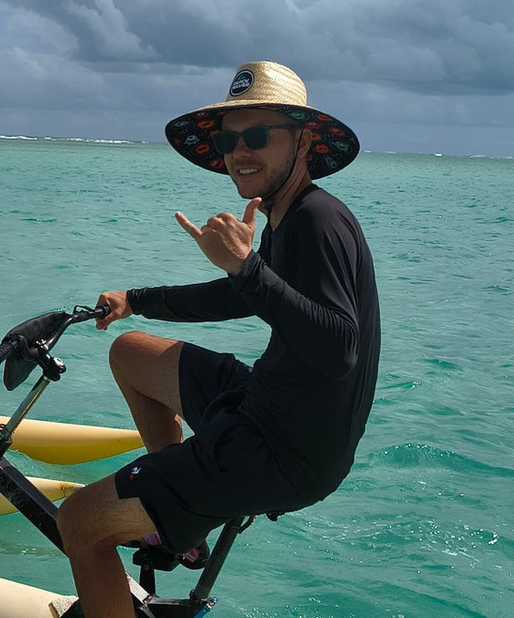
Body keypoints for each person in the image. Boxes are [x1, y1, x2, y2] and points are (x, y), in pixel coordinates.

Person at [55, 62, 381, 618]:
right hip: (266, 405)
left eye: (257, 136)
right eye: (230, 140)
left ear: (302, 142)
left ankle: (178, 506)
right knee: (131, 352)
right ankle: (181, 528)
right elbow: (238, 297)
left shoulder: (317, 221)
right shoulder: (289, 212)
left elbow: (338, 348)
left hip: (278, 454)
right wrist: (138, 299)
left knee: (80, 522)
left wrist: (245, 266)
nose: (240, 152)